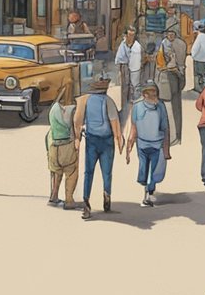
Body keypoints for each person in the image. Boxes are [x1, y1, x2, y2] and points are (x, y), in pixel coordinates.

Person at [75, 76, 123, 220]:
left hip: (91, 140)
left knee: (88, 172)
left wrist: (77, 138)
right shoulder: (108, 101)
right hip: (107, 141)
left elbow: (78, 121)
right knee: (106, 173)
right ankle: (106, 198)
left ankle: (86, 203)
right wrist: (118, 139)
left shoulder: (86, 101)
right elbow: (114, 122)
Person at [126, 81, 171, 207]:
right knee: (143, 168)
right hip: (142, 144)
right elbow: (134, 127)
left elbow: (165, 127)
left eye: (155, 92)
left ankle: (149, 193)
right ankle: (146, 190)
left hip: (157, 144)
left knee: (155, 170)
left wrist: (166, 149)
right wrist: (129, 146)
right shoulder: (137, 107)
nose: (154, 95)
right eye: (151, 92)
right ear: (144, 94)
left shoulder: (161, 106)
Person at [46, 83, 79, 209]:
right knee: (71, 172)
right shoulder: (70, 110)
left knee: (56, 172)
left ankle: (53, 197)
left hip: (53, 146)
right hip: (66, 146)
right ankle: (69, 200)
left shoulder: (53, 110)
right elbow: (74, 126)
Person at [157, 27, 189, 144]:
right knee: (171, 106)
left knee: (174, 105)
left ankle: (176, 136)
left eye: (172, 33)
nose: (169, 35)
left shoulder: (179, 44)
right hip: (171, 74)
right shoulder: (164, 43)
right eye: (168, 33)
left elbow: (180, 61)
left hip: (175, 75)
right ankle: (173, 136)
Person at [114, 28, 143, 122]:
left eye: (132, 35)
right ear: (125, 35)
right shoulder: (122, 45)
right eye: (129, 35)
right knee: (125, 88)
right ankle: (124, 109)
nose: (131, 37)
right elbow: (119, 58)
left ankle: (135, 110)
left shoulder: (137, 46)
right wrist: (120, 70)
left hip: (135, 68)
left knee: (135, 87)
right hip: (125, 67)